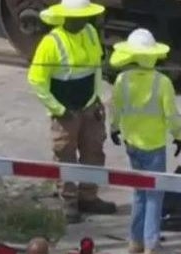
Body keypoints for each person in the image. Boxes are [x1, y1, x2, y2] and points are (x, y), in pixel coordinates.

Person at [28, 0, 118, 223]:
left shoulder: (89, 32)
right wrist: (58, 109)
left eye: (85, 17)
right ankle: (68, 202)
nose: (83, 22)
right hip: (65, 110)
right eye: (78, 18)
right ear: (66, 18)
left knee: (94, 153)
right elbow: (36, 81)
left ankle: (89, 196)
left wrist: (97, 100)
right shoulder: (51, 42)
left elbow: (95, 68)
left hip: (89, 105)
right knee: (65, 156)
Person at [108, 28, 181, 254]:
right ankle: (152, 244)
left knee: (139, 193)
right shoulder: (162, 83)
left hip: (131, 143)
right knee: (154, 195)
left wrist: (114, 128)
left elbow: (116, 108)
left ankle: (135, 241)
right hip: (154, 146)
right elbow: (171, 114)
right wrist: (178, 136)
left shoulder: (122, 79)